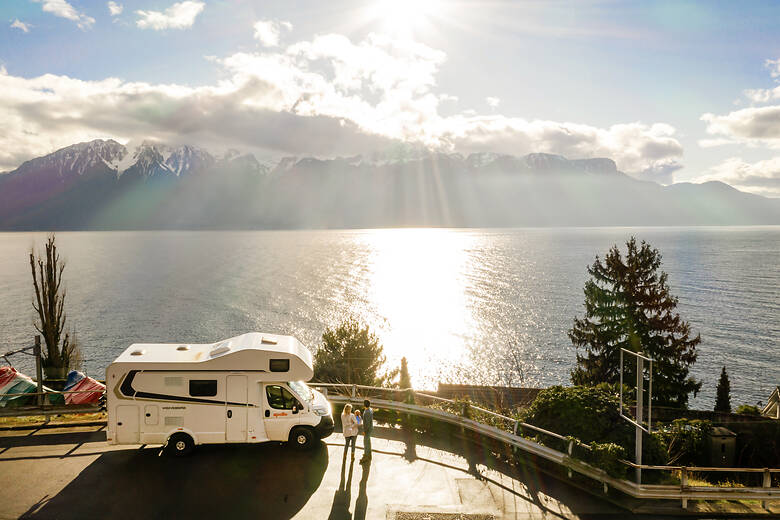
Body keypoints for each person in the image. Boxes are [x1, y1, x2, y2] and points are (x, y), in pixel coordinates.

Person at [360, 399, 373, 463]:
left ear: (364, 404)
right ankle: (369, 454)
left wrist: (364, 431)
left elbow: (367, 423)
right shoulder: (370, 409)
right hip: (370, 428)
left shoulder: (367, 412)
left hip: (367, 429)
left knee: (366, 443)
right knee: (368, 441)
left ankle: (366, 456)